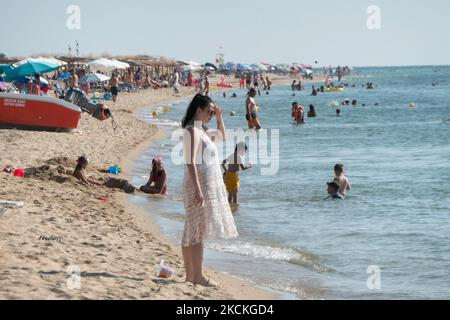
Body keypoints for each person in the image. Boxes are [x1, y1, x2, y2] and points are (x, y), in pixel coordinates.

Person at [181, 94, 238, 286]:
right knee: (196, 230)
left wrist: (220, 116)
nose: (211, 115)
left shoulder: (201, 130)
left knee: (192, 229)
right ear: (198, 110)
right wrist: (198, 189)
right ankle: (197, 276)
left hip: (203, 184)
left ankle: (191, 276)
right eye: (209, 111)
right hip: (198, 185)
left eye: (212, 112)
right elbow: (190, 162)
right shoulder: (192, 131)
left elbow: (222, 136)